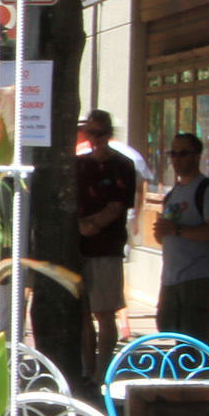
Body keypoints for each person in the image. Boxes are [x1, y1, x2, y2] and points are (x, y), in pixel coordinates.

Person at [152, 132, 209, 344]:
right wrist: (162, 233)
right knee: (171, 338)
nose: (176, 159)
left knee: (196, 345)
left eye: (183, 153)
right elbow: (166, 235)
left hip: (197, 279)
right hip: (170, 279)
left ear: (197, 156)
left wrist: (177, 230)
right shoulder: (173, 193)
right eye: (173, 154)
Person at [76, 110, 135, 380]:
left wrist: (90, 225)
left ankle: (102, 372)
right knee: (84, 314)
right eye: (91, 132)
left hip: (107, 249)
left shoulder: (122, 165)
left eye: (100, 133)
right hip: (79, 250)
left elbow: (117, 206)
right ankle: (88, 372)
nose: (95, 138)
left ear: (110, 133)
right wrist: (80, 228)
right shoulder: (79, 165)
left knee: (105, 313)